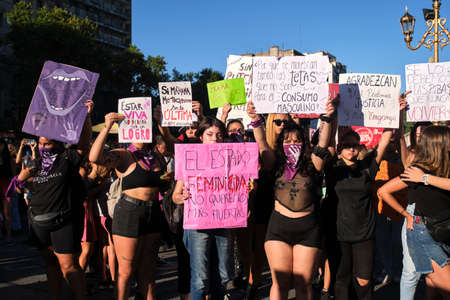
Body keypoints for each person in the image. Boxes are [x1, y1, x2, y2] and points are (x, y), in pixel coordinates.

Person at [247, 99, 335, 300]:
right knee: (281, 284)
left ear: (304, 143)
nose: (292, 144)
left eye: (297, 141)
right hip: (279, 228)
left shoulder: (313, 163)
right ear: (281, 144)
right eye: (287, 141)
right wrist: (255, 120)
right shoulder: (275, 163)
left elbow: (323, 143)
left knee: (303, 285)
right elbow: (262, 144)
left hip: (308, 230)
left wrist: (328, 118)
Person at [16, 100, 93, 300]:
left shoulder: (66, 158)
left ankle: (80, 296)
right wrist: (20, 179)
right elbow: (18, 188)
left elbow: (84, 144)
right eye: (41, 144)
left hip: (62, 221)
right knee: (50, 263)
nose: (43, 147)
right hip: (39, 222)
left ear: (58, 144)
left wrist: (86, 116)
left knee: (68, 265)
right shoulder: (35, 163)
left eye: (47, 144)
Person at [89, 111, 171, 300]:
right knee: (125, 271)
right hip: (130, 212)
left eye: (146, 126)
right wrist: (108, 125)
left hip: (153, 213)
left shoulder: (156, 156)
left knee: (149, 271)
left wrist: (167, 179)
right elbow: (95, 158)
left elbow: (161, 184)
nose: (143, 130)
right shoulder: (124, 154)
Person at [325, 100, 400, 299]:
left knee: (364, 281)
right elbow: (327, 142)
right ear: (340, 148)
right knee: (341, 278)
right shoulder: (333, 168)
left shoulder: (367, 166)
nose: (351, 149)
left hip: (364, 235)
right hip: (339, 234)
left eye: (355, 145)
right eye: (347, 145)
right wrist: (331, 115)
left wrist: (395, 112)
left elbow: (384, 141)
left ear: (359, 148)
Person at [378, 125, 450, 298]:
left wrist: (425, 179)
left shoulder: (440, 168)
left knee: (433, 288)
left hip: (443, 230)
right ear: (438, 144)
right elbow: (383, 191)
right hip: (423, 233)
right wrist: (406, 214)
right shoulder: (417, 169)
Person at [172, 116, 233, 300]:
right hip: (197, 225)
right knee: (200, 279)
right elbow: (175, 195)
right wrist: (181, 197)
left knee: (223, 276)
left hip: (223, 222)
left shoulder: (231, 160)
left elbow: (239, 188)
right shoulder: (190, 159)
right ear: (201, 137)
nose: (215, 138)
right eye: (210, 134)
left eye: (219, 135)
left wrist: (244, 189)